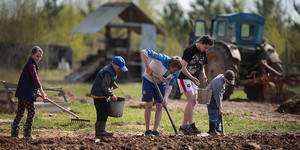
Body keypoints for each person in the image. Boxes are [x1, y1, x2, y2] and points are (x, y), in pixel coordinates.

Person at [177, 35, 214, 135]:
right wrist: (192, 78)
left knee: (193, 102)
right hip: (184, 78)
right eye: (205, 47)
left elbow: (202, 67)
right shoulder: (189, 50)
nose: (205, 50)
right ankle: (191, 125)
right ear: (201, 42)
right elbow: (182, 68)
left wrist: (204, 75)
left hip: (194, 79)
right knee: (191, 100)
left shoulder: (203, 52)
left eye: (207, 49)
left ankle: (183, 126)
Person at [141, 49, 182, 137]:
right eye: (174, 70)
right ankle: (147, 130)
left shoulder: (177, 72)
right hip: (148, 79)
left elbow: (169, 86)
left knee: (160, 105)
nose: (175, 72)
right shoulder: (161, 58)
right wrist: (148, 67)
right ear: (170, 65)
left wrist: (165, 98)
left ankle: (155, 130)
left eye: (176, 71)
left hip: (160, 83)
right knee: (149, 105)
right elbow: (144, 52)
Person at [11, 46, 48, 138]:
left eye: (40, 57)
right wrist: (43, 93)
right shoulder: (31, 65)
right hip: (26, 94)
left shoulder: (29, 64)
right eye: (37, 56)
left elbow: (29, 81)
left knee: (20, 112)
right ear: (31, 54)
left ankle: (14, 133)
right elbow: (36, 80)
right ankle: (27, 134)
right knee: (32, 112)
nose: (38, 59)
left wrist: (36, 92)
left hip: (22, 93)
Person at [91, 56, 128, 137]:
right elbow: (104, 86)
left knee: (104, 112)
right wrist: (112, 94)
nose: (120, 70)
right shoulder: (108, 71)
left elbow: (107, 80)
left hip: (101, 94)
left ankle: (100, 131)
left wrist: (113, 83)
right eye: (119, 68)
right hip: (99, 94)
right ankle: (100, 131)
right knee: (103, 112)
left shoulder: (112, 69)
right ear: (114, 64)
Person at [206, 70, 235, 135]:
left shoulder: (222, 78)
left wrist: (220, 108)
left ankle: (217, 127)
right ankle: (212, 130)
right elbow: (217, 97)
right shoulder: (218, 84)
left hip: (215, 96)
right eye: (227, 81)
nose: (227, 83)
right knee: (214, 113)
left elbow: (219, 96)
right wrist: (219, 108)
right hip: (210, 97)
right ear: (224, 77)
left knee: (219, 113)